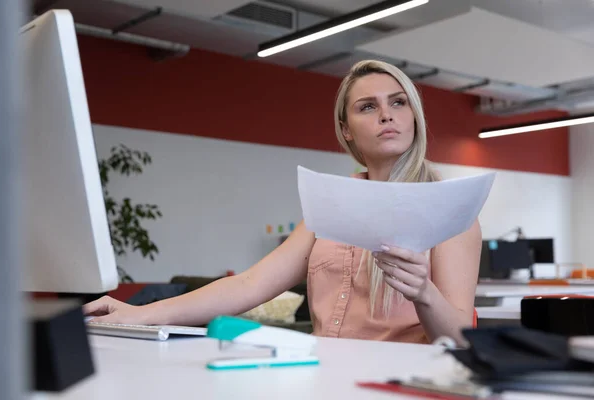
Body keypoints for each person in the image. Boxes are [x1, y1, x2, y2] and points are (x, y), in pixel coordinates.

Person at [84, 60, 482, 345]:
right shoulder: (330, 206)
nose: (386, 115)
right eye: (367, 107)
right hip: (322, 381)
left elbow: (462, 342)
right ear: (346, 130)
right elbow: (250, 284)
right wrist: (137, 314)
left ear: (414, 117)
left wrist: (423, 293)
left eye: (398, 102)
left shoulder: (449, 210)